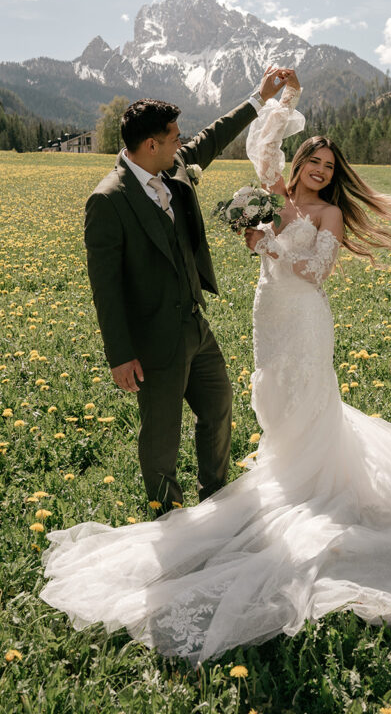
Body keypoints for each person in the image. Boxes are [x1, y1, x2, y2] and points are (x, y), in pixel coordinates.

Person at [40, 73, 391, 666]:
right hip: (263, 315)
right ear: (300, 163)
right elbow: (260, 146)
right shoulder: (246, 191)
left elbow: (313, 270)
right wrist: (281, 106)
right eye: (316, 162)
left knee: (263, 403)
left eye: (331, 166)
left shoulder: (326, 215)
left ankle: (269, 482)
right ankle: (184, 496)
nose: (322, 172)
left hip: (302, 315)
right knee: (264, 399)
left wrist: (266, 243)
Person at [81, 65, 291, 511]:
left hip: (195, 323)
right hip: (153, 339)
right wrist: (120, 355)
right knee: (161, 436)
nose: (182, 141)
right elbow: (106, 286)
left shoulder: (173, 164)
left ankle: (216, 496)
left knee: (218, 407)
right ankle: (167, 515)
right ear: (151, 144)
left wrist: (260, 97)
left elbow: (214, 136)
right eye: (174, 136)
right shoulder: (108, 200)